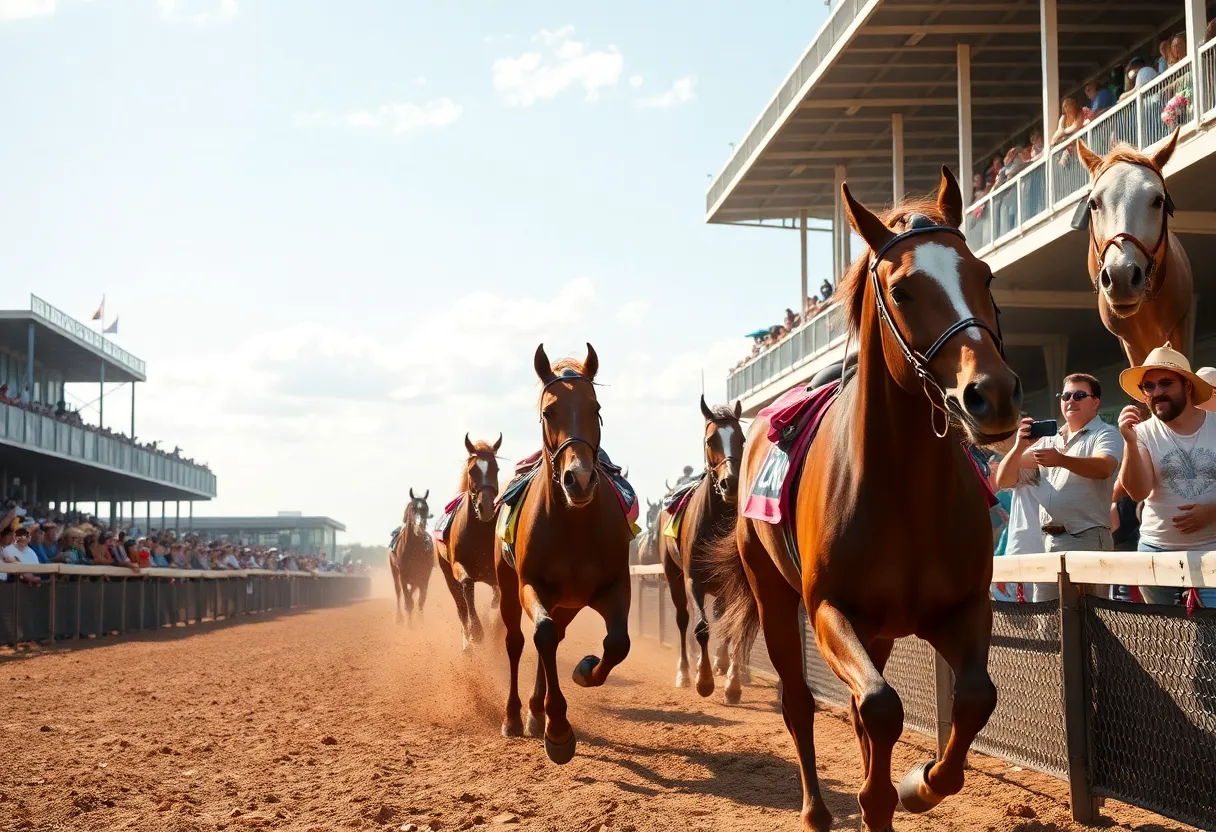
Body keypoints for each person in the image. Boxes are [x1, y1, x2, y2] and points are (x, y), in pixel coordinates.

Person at [995, 373, 1123, 598]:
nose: (1070, 400)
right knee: (1047, 622)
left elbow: (1104, 467)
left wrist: (1061, 460)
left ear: (1095, 402)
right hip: (1048, 543)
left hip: (1089, 538)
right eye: (1065, 396)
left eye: (1079, 395)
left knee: (1089, 621)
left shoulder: (1106, 433)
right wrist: (1018, 446)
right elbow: (1003, 480)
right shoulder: (1049, 440)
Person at [1116, 345, 1216, 608]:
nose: (1156, 392)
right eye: (1148, 387)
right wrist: (1128, 443)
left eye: (1166, 383)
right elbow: (1138, 492)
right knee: (1165, 643)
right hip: (1156, 554)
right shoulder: (1142, 433)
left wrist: (1211, 512)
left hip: (1213, 553)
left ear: (1188, 386)